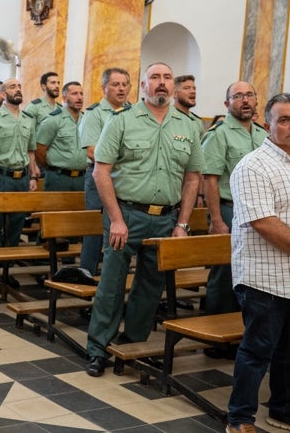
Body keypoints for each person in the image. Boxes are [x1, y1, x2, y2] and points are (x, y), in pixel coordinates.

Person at [85, 62, 204, 377]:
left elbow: (193, 178)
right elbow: (101, 171)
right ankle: (98, 348)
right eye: (155, 78)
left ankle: (133, 341)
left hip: (165, 219)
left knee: (150, 286)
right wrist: (116, 220)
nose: (162, 83)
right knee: (111, 285)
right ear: (143, 85)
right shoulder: (122, 121)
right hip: (126, 215)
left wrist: (182, 224)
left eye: (167, 77)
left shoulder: (189, 126)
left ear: (173, 86)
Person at [225, 92, 290, 433]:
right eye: (283, 120)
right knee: (256, 352)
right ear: (267, 125)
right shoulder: (253, 165)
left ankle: (281, 411)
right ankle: (240, 418)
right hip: (263, 276)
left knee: (287, 353)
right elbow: (264, 223)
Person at [201, 82, 266, 318]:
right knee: (225, 272)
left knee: (252, 271)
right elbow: (210, 180)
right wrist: (216, 219)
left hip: (260, 212)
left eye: (249, 95)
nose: (245, 100)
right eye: (238, 96)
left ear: (256, 101)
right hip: (230, 210)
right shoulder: (219, 134)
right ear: (227, 103)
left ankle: (240, 326)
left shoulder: (263, 134)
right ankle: (214, 330)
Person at [77, 68, 132, 275]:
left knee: (121, 228)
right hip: (99, 178)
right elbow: (92, 151)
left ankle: (115, 276)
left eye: (124, 84)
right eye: (115, 84)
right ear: (104, 88)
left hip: (124, 180)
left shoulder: (132, 112)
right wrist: (123, 162)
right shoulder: (94, 114)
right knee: (95, 232)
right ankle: (86, 274)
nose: (121, 89)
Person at [0, 78, 37, 289]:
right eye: (13, 87)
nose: (18, 89)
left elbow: (31, 150)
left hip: (21, 177)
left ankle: (8, 268)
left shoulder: (28, 119)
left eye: (20, 86)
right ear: (4, 94)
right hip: (0, 175)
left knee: (16, 223)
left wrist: (32, 176)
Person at [35, 81, 86, 192]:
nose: (79, 97)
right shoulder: (53, 119)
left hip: (82, 178)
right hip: (58, 178)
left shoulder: (86, 120)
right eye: (74, 94)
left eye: (81, 94)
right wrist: (53, 167)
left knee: (81, 210)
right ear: (64, 97)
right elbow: (39, 150)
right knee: (54, 209)